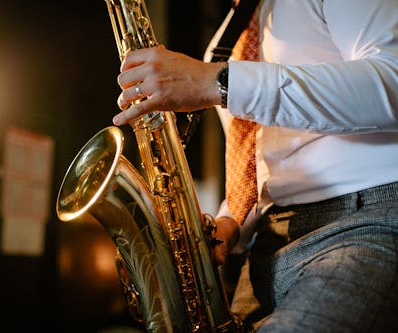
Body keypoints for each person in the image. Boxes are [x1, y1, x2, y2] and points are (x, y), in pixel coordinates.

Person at [112, 0, 398, 332]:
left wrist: (216, 81)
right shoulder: (229, 33)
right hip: (269, 243)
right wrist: (229, 222)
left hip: (365, 221)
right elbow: (263, 157)